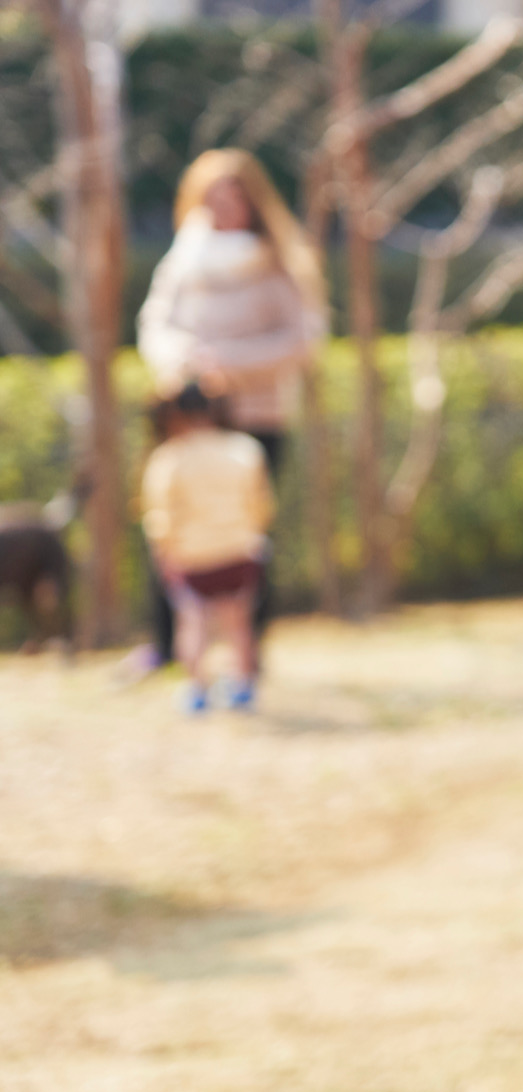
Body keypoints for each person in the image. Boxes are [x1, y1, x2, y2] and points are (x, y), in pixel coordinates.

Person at [129, 148, 326, 677]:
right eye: (213, 197)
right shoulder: (184, 258)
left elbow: (303, 340)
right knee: (169, 525)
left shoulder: (276, 260)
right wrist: (183, 363)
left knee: (250, 536)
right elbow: (155, 323)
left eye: (233, 197)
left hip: (256, 415)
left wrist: (230, 364)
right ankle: (166, 645)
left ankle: (247, 649)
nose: (223, 208)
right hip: (188, 417)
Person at [141, 386, 274, 713]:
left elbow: (160, 516)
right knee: (239, 623)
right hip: (240, 551)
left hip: (192, 557)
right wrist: (252, 535)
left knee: (193, 622)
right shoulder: (245, 449)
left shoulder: (168, 458)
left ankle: (198, 690)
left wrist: (164, 551)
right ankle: (242, 687)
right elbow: (262, 505)